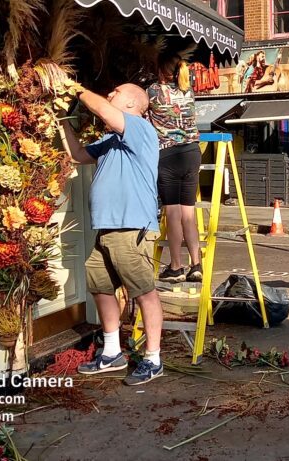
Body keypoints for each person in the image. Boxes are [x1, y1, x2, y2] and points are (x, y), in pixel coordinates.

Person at [61, 83, 165, 386]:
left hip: (132, 226)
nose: (109, 94)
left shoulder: (140, 129)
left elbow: (103, 109)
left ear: (132, 102)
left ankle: (153, 359)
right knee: (100, 285)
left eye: (115, 92)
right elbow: (78, 155)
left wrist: (75, 89)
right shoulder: (110, 139)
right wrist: (62, 120)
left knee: (144, 292)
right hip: (107, 228)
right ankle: (111, 352)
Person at [146, 54, 203, 283]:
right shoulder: (189, 91)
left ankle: (176, 266)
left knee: (172, 212)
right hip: (191, 152)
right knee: (188, 212)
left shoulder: (152, 92)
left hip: (167, 154)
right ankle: (196, 264)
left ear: (160, 70)